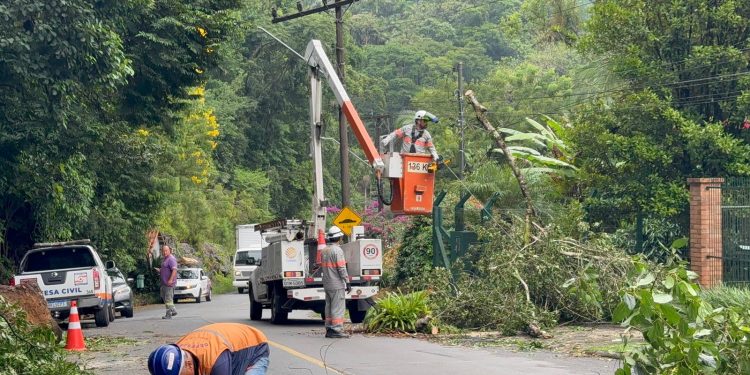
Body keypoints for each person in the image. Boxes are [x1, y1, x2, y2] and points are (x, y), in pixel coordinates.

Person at [147, 323, 269, 375]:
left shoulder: (217, 363)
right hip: (226, 345)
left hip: (256, 347)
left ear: (188, 364)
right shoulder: (179, 349)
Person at [320, 225, 350, 338]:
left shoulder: (324, 251)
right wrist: (347, 282)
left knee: (329, 306)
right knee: (337, 307)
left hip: (327, 284)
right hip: (337, 284)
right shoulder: (337, 250)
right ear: (339, 238)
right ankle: (336, 330)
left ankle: (329, 328)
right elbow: (342, 268)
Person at [156, 245, 178, 319]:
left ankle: (173, 310)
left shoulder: (171, 259)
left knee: (168, 299)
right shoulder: (165, 259)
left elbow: (174, 270)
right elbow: (166, 269)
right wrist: (160, 270)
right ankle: (168, 314)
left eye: (166, 250)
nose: (165, 252)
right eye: (163, 251)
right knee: (165, 298)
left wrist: (171, 280)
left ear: (169, 251)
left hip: (169, 283)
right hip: (164, 283)